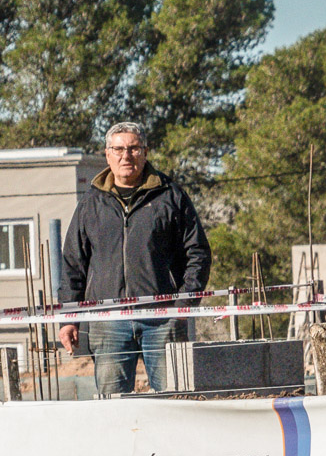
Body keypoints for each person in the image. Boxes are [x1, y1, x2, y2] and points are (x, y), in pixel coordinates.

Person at [58, 122, 212, 395]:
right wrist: (69, 318)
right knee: (113, 406)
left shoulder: (171, 197)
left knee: (174, 400)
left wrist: (183, 304)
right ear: (107, 154)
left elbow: (197, 253)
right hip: (108, 321)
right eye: (118, 149)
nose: (125, 156)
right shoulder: (91, 203)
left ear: (145, 152)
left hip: (163, 319)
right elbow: (73, 264)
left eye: (133, 148)